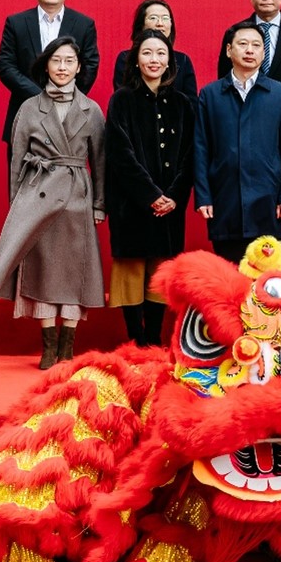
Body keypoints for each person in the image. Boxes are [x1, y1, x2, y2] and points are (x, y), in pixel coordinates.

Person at [0, 36, 106, 369]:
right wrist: (17, 207)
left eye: (69, 61)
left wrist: (99, 203)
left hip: (77, 199)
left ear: (79, 68)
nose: (63, 67)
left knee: (73, 275)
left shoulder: (91, 109)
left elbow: (100, 161)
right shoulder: (28, 107)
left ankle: (68, 347)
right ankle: (49, 347)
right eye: (57, 61)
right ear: (46, 66)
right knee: (42, 272)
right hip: (37, 199)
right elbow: (16, 158)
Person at [105, 29, 195, 347]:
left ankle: (154, 339)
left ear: (170, 59)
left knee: (160, 273)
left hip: (171, 205)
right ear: (136, 59)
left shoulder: (183, 103)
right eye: (147, 53)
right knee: (130, 271)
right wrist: (150, 195)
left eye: (160, 53)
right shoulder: (122, 100)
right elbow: (120, 154)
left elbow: (189, 154)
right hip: (131, 203)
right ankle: (135, 338)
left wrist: (173, 195)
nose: (154, 59)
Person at [194, 20, 281, 263]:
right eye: (243, 44)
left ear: (264, 53)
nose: (250, 50)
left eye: (256, 45)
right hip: (226, 198)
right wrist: (204, 196)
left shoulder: (280, 94)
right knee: (230, 279)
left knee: (270, 282)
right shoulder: (210, 95)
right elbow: (201, 148)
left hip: (270, 200)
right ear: (229, 50)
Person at [0, 0, 100, 152]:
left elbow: (90, 66)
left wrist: (66, 99)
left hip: (69, 118)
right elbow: (6, 66)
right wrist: (40, 98)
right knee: (22, 178)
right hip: (25, 113)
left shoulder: (84, 24)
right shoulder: (16, 23)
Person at [110, 0, 199, 112]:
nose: (160, 23)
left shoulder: (183, 60)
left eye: (166, 18)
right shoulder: (126, 58)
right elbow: (122, 102)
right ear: (141, 25)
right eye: (153, 18)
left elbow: (191, 105)